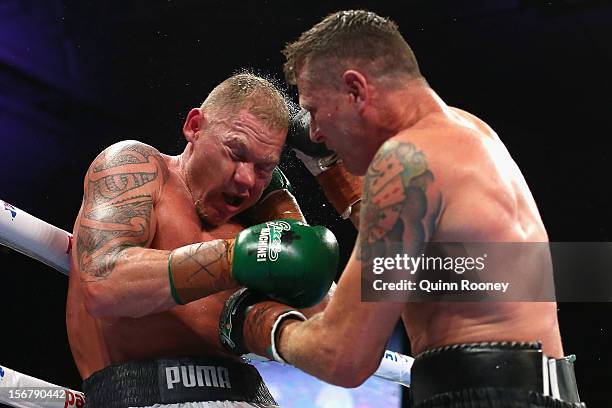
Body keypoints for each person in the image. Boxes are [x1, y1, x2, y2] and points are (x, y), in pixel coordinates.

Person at [218, 10, 585, 408]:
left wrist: (254, 322)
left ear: (355, 90)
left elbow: (344, 357)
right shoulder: (466, 134)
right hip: (534, 390)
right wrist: (327, 167)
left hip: (487, 396)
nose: (317, 131)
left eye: (316, 109)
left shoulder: (405, 161)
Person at [66, 73, 339, 408]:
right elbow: (103, 283)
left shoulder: (258, 213)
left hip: (251, 395)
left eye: (264, 168)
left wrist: (282, 205)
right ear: (194, 126)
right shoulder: (138, 167)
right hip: (145, 392)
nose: (245, 179)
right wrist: (233, 258)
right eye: (236, 153)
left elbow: (329, 334)